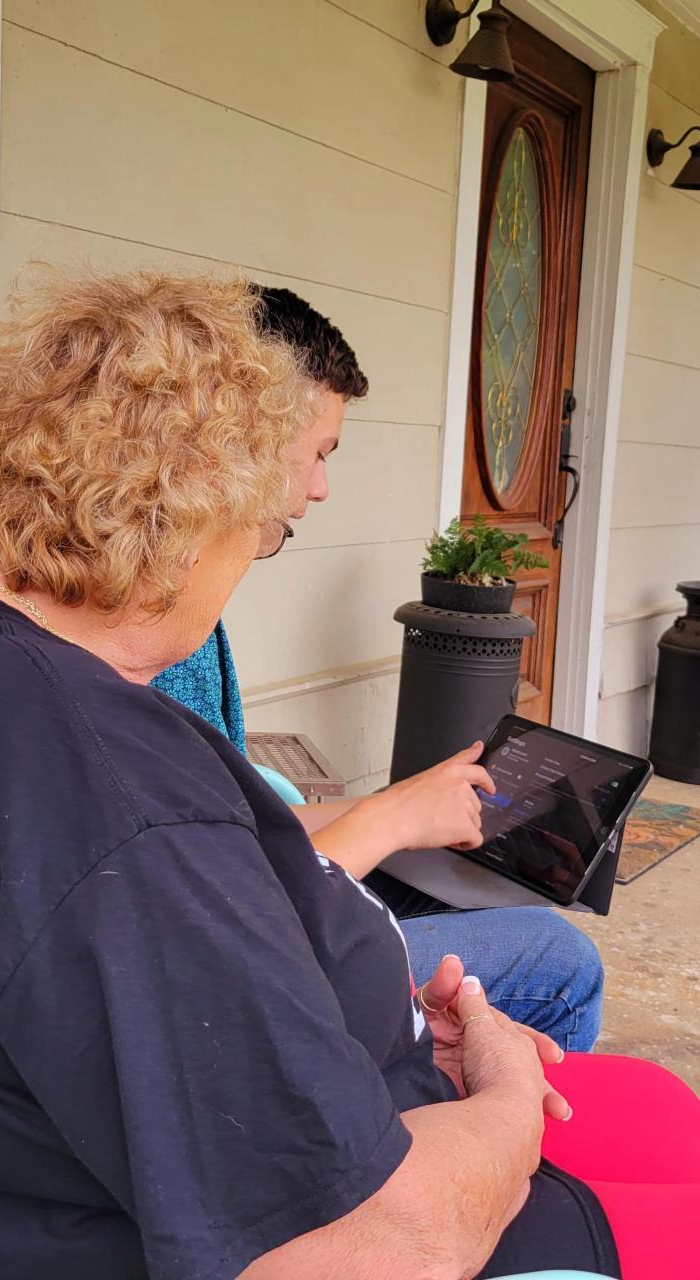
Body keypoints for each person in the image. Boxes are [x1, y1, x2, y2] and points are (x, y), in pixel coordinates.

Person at [0, 270, 700, 1280]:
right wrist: (507, 1097)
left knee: (664, 1112)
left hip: (286, 1131)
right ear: (191, 497)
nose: (253, 553)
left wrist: (375, 1031)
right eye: (267, 529)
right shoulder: (103, 797)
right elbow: (380, 1246)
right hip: (385, 1224)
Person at [154, 285, 604, 1051]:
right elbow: (209, 902)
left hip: (257, 903)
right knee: (561, 959)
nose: (321, 488)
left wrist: (405, 808)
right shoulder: (148, 632)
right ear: (244, 437)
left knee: (475, 897)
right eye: (320, 452)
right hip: (236, 968)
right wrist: (387, 820)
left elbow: (234, 826)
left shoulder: (186, 615)